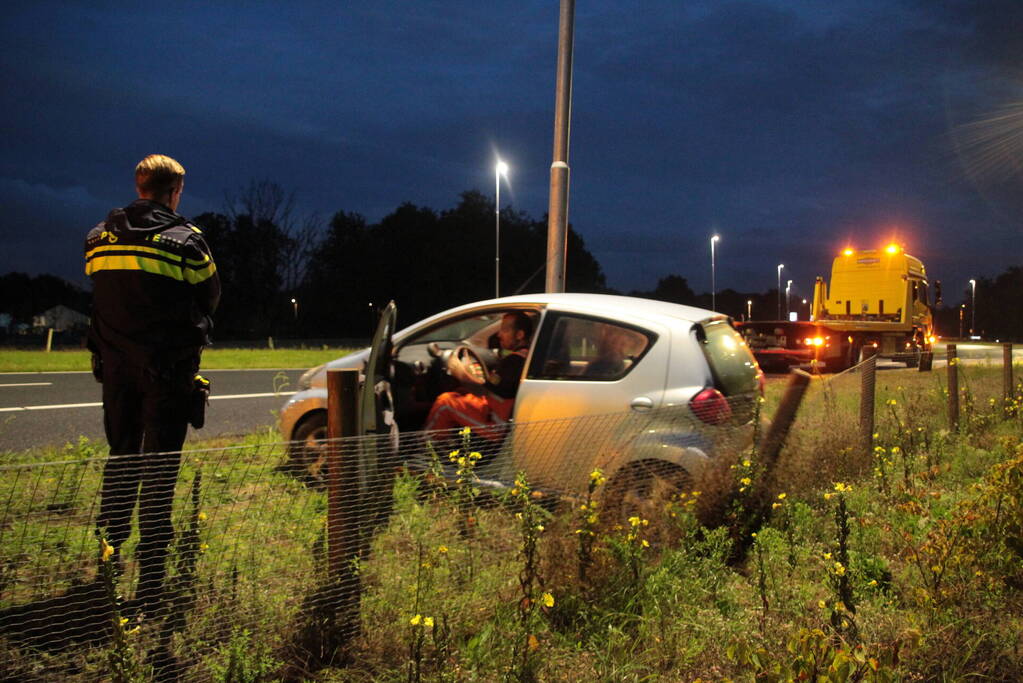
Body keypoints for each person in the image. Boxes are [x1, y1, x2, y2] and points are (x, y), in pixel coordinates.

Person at [84, 154, 220, 609]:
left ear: (139, 186)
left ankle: (107, 557)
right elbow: (210, 297)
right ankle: (151, 580)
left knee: (120, 458)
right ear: (175, 191)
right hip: (168, 374)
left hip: (116, 373)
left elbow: (104, 298)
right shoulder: (187, 241)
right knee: (160, 473)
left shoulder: (97, 238)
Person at [424, 311, 533, 443]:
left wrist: (461, 373)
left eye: (505, 330)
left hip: (494, 425)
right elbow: (493, 387)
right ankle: (445, 445)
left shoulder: (514, 362)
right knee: (457, 395)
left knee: (445, 402)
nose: (499, 335)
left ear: (520, 335)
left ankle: (426, 449)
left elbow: (489, 388)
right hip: (491, 413)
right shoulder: (524, 358)